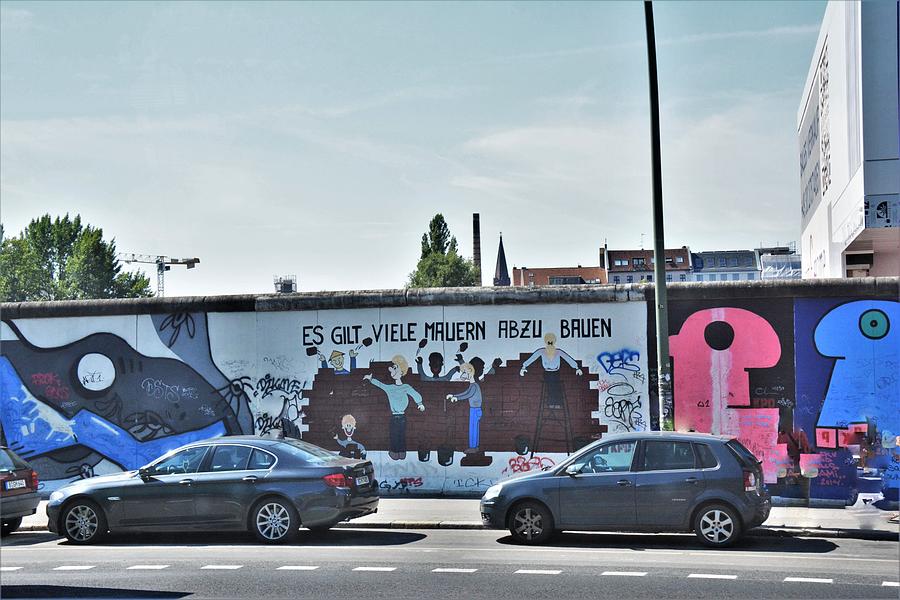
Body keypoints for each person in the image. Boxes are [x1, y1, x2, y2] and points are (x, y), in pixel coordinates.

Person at [364, 356, 424, 460]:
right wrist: (371, 379)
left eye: (395, 367)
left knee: (401, 436)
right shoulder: (390, 388)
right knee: (394, 435)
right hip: (394, 417)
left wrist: (420, 403)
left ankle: (402, 452)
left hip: (402, 417)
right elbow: (381, 385)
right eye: (393, 367)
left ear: (402, 372)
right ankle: (394, 453)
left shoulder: (406, 387)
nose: (392, 370)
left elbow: (415, 394)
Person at [519, 332, 582, 408]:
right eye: (548, 341)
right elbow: (532, 358)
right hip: (547, 373)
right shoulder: (541, 351)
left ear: (554, 341)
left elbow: (568, 358)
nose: (550, 342)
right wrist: (524, 366)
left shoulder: (558, 351)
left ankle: (557, 404)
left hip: (556, 372)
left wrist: (576, 367)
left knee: (556, 387)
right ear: (546, 342)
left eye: (551, 340)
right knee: (550, 387)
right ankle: (551, 404)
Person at [447, 363, 483, 453]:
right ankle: (475, 447)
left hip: (475, 410)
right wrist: (454, 395)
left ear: (470, 371)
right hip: (475, 409)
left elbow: (468, 394)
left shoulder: (474, 385)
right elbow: (465, 392)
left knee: (473, 429)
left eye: (464, 372)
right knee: (475, 429)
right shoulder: (472, 385)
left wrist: (457, 398)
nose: (463, 374)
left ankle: (473, 448)